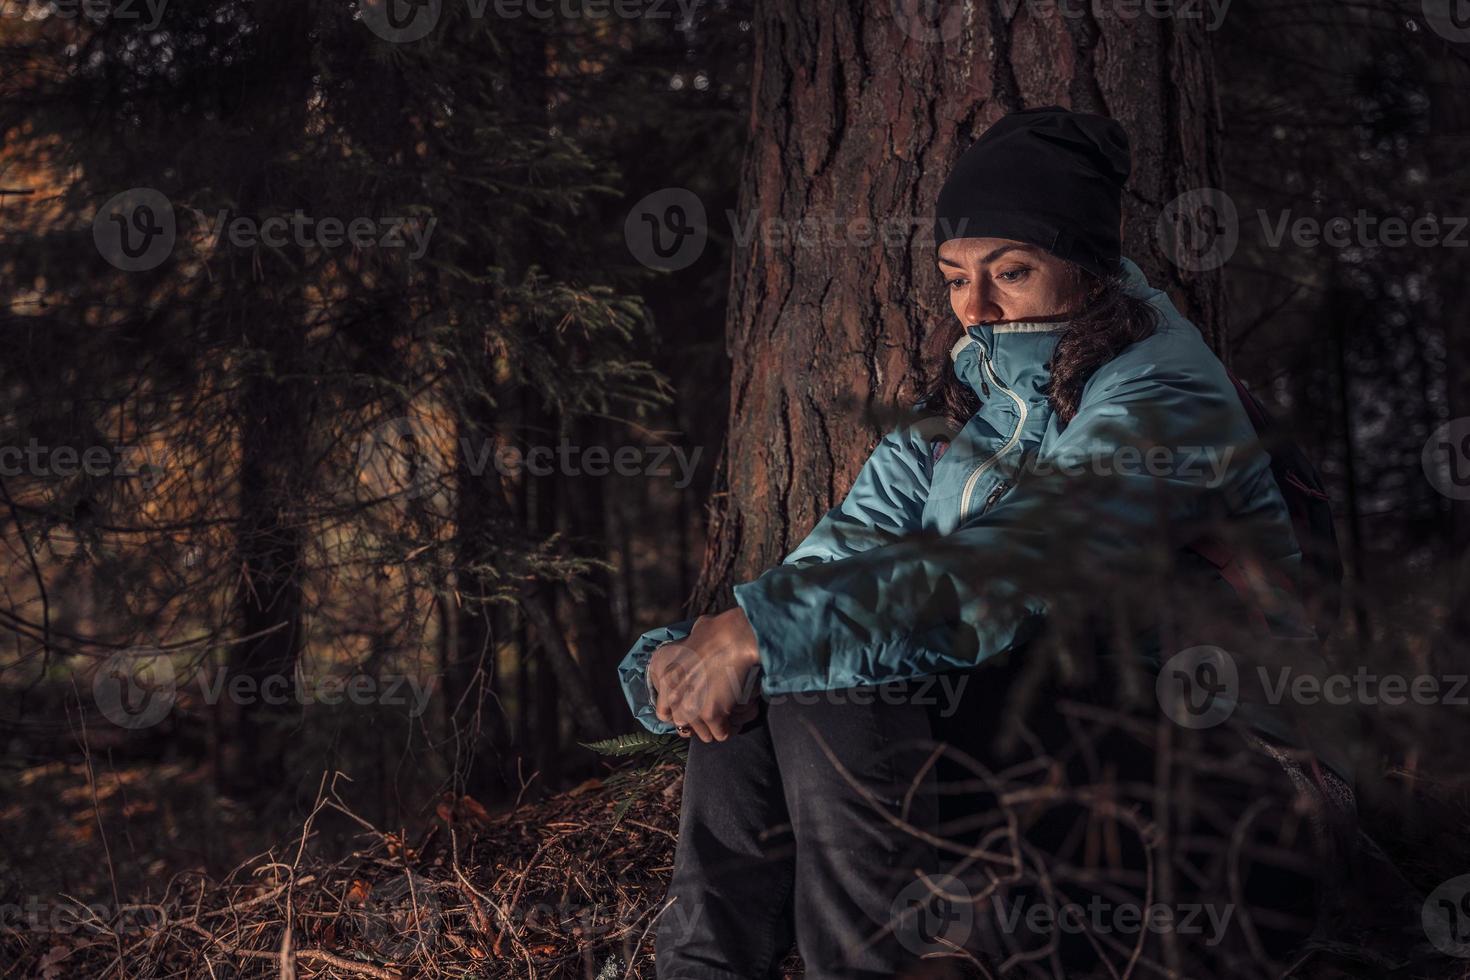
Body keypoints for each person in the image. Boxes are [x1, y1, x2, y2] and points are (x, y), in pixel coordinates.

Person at [617, 106, 1355, 979]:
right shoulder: (962, 416)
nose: (975, 306)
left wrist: (765, 632)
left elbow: (1010, 575)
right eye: (954, 275)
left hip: (1233, 809)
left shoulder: (1164, 398)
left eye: (1012, 272)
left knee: (827, 666)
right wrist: (683, 664)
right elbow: (827, 565)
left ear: (1088, 268)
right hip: (1060, 780)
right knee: (788, 674)